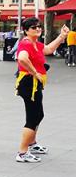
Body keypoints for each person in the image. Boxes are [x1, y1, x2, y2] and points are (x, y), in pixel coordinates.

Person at [15, 18, 69, 163]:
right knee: (33, 118)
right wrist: (35, 72)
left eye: (39, 27)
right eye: (34, 27)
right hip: (29, 83)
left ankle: (31, 144)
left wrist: (62, 36)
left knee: (39, 115)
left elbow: (49, 49)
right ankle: (22, 152)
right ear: (26, 30)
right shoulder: (26, 43)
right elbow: (22, 58)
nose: (38, 29)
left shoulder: (36, 44)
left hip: (34, 84)